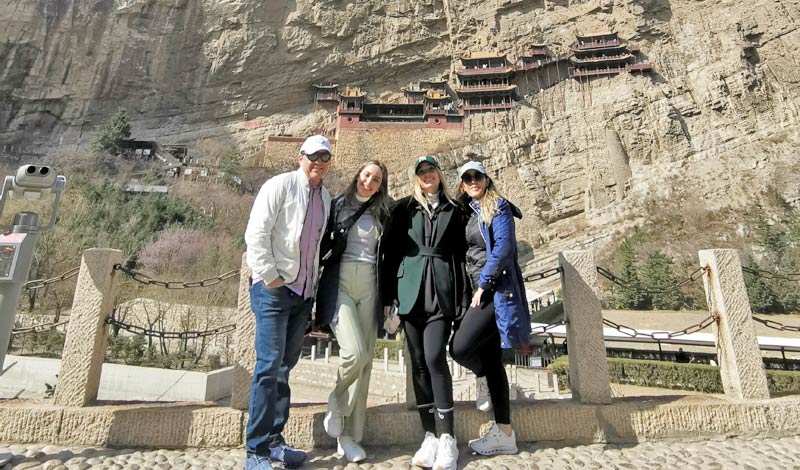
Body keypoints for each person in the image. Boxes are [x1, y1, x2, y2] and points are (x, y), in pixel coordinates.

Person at [243, 135, 333, 470]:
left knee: (284, 368)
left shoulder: (324, 196)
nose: (319, 162)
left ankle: (275, 441)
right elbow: (257, 233)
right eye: (313, 156)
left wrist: (310, 293)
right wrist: (270, 277)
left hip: (302, 294)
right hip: (274, 290)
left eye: (325, 157)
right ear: (300, 157)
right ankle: (255, 451)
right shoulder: (278, 186)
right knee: (268, 367)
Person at [383, 155, 470, 470]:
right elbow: (390, 253)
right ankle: (429, 435)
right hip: (410, 292)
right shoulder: (403, 208)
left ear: (439, 174)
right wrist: (388, 297)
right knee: (417, 363)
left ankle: (448, 438)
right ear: (415, 177)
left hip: (442, 292)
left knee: (435, 358)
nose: (427, 175)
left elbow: (462, 255)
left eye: (431, 170)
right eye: (421, 171)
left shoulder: (455, 210)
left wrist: (463, 298)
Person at [450, 160, 530, 456]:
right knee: (493, 360)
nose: (473, 181)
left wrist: (484, 284)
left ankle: (480, 377)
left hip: (494, 291)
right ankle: (505, 433)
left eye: (477, 176)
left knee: (459, 348)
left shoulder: (499, 207)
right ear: (461, 183)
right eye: (467, 178)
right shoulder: (466, 211)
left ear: (486, 178)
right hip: (474, 290)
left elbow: (504, 248)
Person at [316, 161, 392, 463]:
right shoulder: (336, 205)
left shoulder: (383, 212)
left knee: (366, 363)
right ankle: (336, 401)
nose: (369, 182)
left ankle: (348, 437)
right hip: (341, 283)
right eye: (366, 175)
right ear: (357, 175)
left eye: (376, 180)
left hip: (371, 285)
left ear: (380, 185)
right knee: (354, 353)